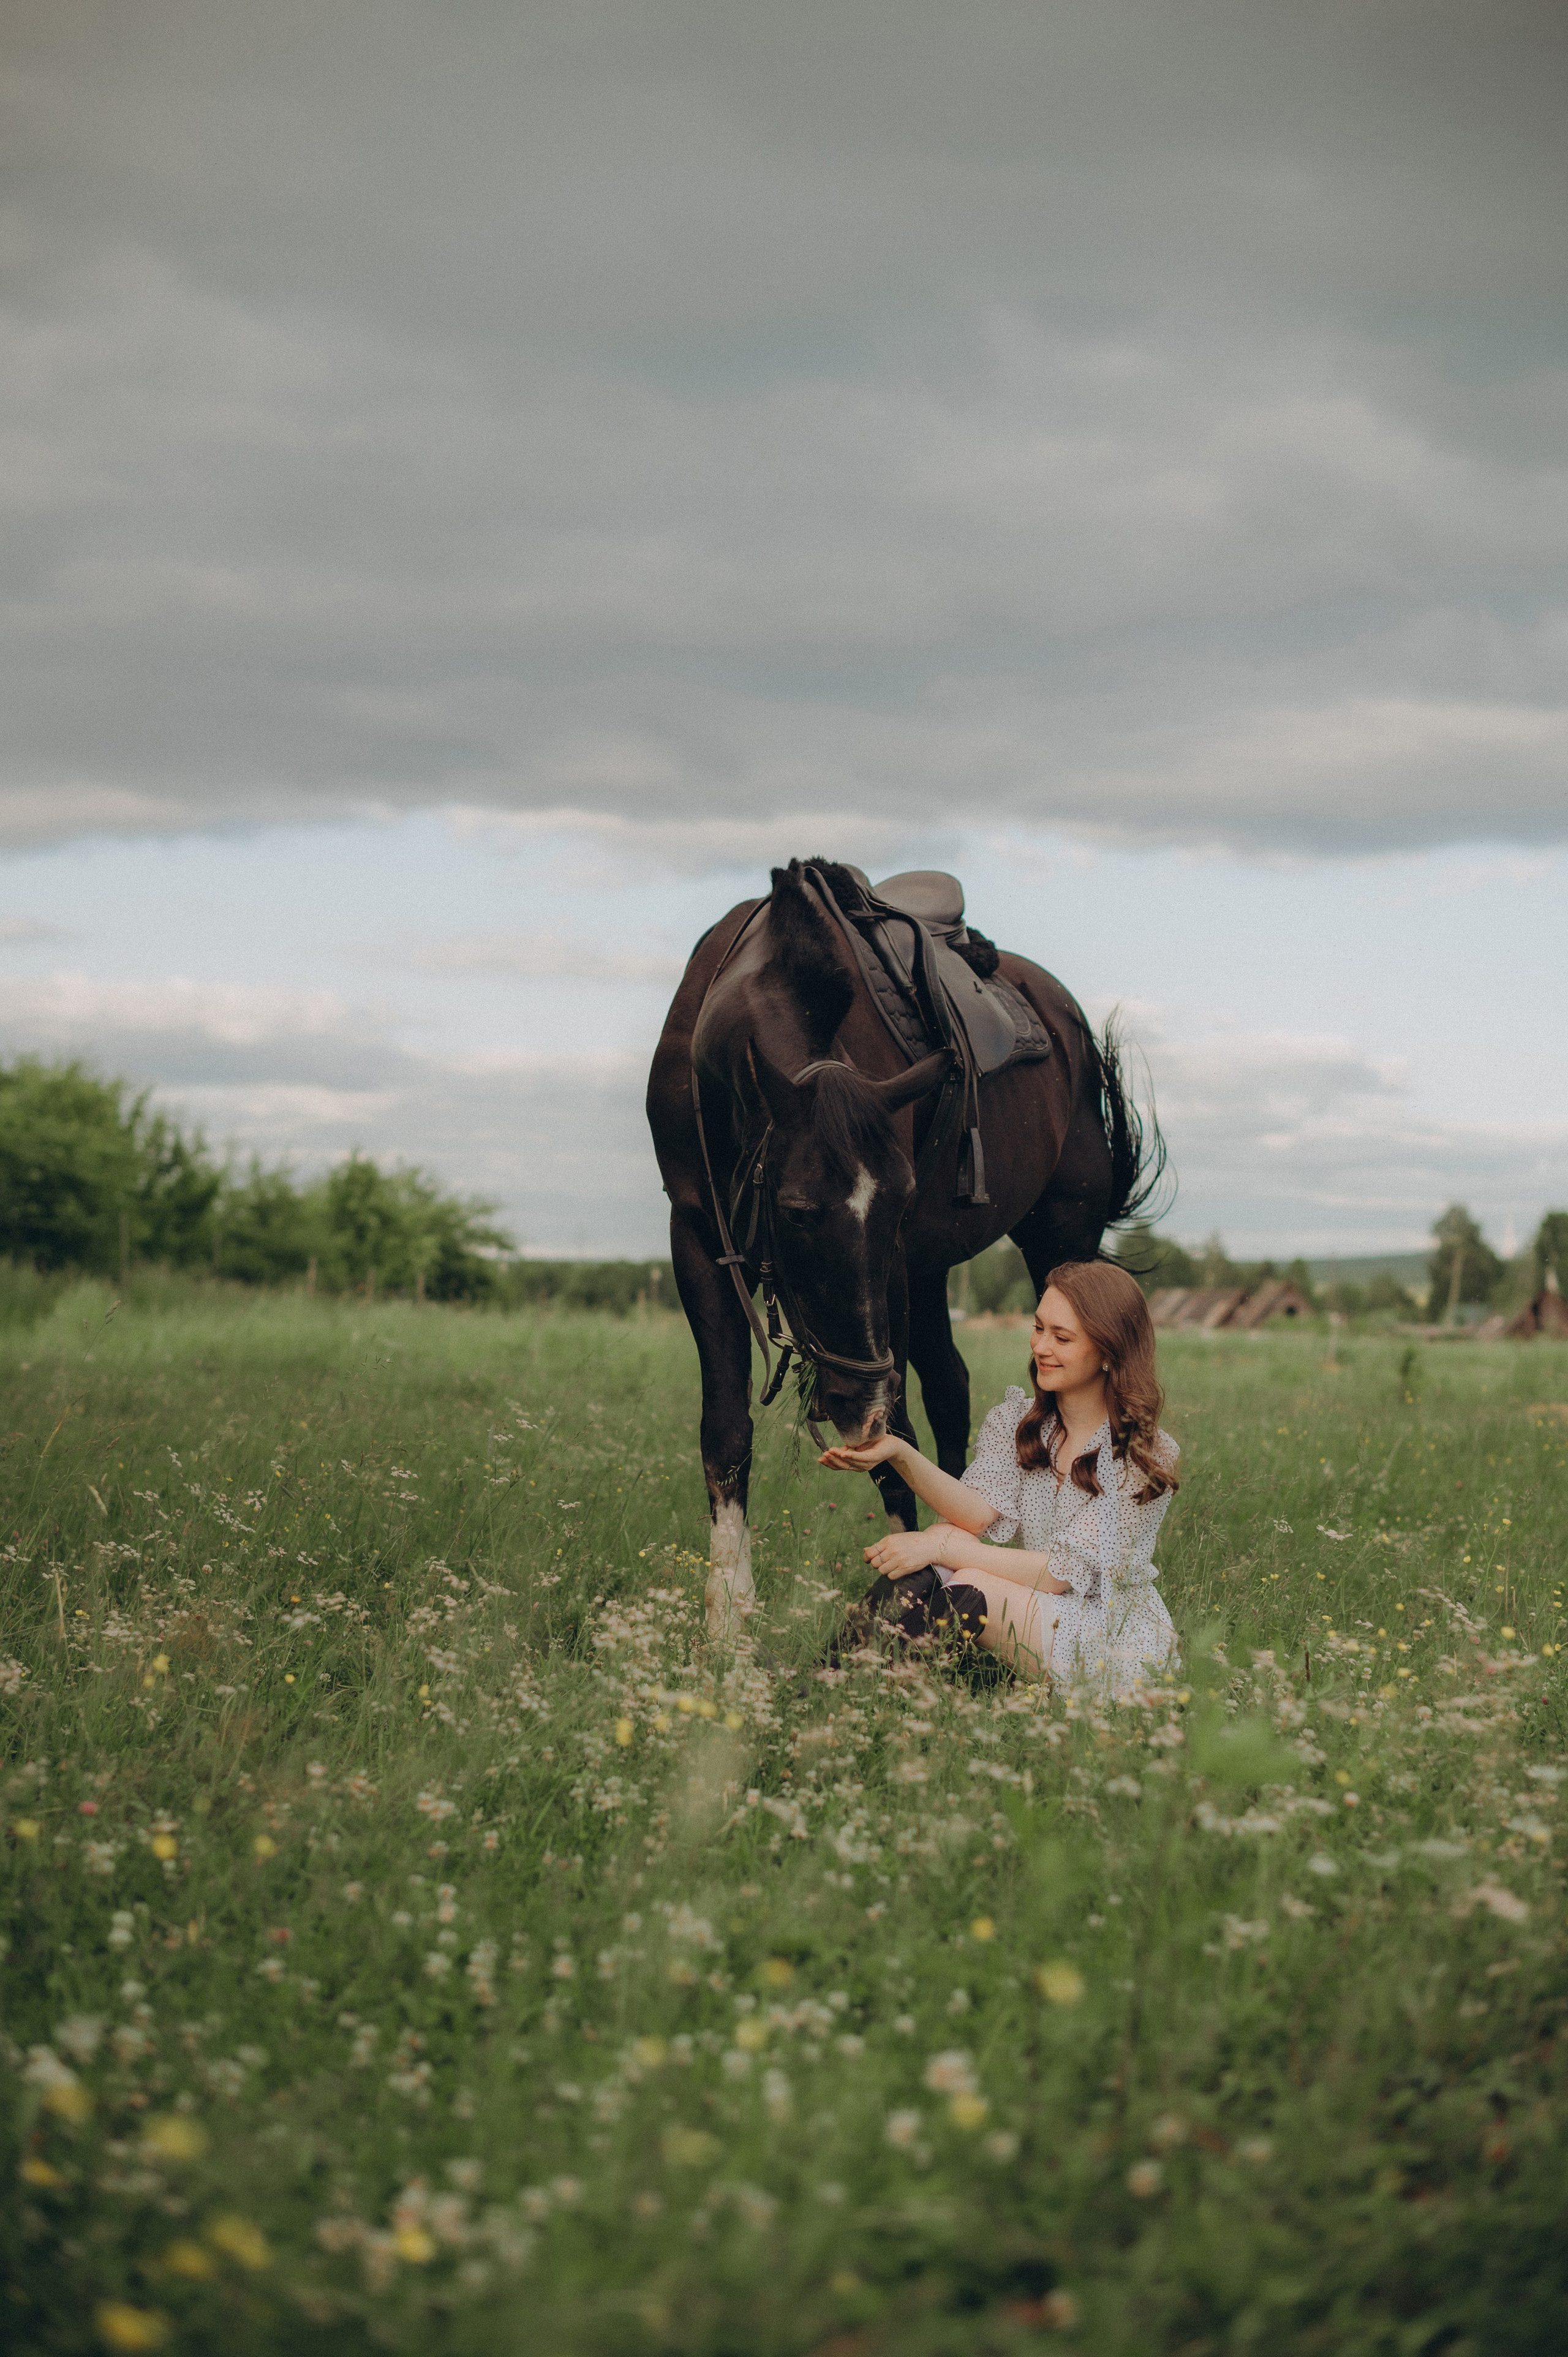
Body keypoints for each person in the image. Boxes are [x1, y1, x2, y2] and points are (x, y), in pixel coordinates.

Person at [818, 1259, 1180, 1691]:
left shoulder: (1144, 1452)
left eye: (1062, 1337)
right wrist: (899, 1454)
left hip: (1110, 1634)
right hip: (1034, 1604)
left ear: (1108, 1351)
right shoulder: (1018, 1423)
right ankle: (828, 1679)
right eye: (1039, 1327)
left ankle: (857, 1692)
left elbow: (1057, 1575)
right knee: (943, 1559)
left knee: (965, 1575)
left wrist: (944, 1545)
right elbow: (975, 1513)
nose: (1041, 1347)